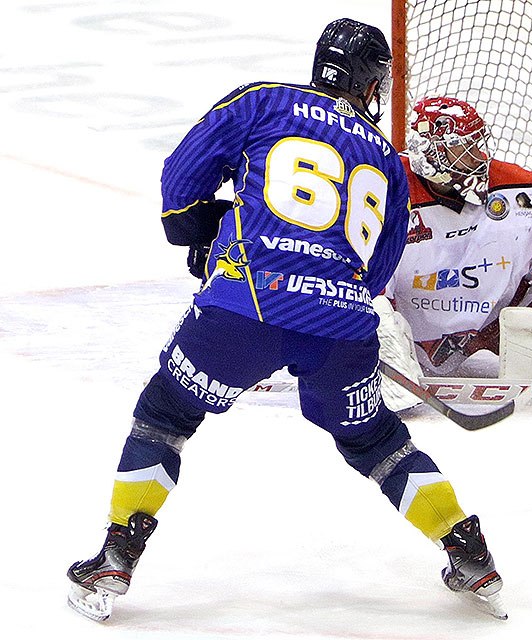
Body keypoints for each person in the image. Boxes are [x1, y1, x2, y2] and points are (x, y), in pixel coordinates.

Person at [66, 19, 506, 622]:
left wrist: (200, 234)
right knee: (374, 438)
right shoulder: (386, 157)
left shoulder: (263, 101)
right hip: (344, 323)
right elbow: (377, 270)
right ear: (366, 80)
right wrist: (330, 297)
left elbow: (181, 181)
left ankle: (116, 556)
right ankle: (469, 550)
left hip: (245, 305)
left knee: (166, 413)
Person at [381, 96, 532, 379]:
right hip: (413, 340)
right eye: (462, 149)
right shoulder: (388, 189)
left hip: (494, 327)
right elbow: (369, 285)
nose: (478, 158)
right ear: (429, 155)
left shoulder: (519, 187)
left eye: (477, 144)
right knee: (373, 313)